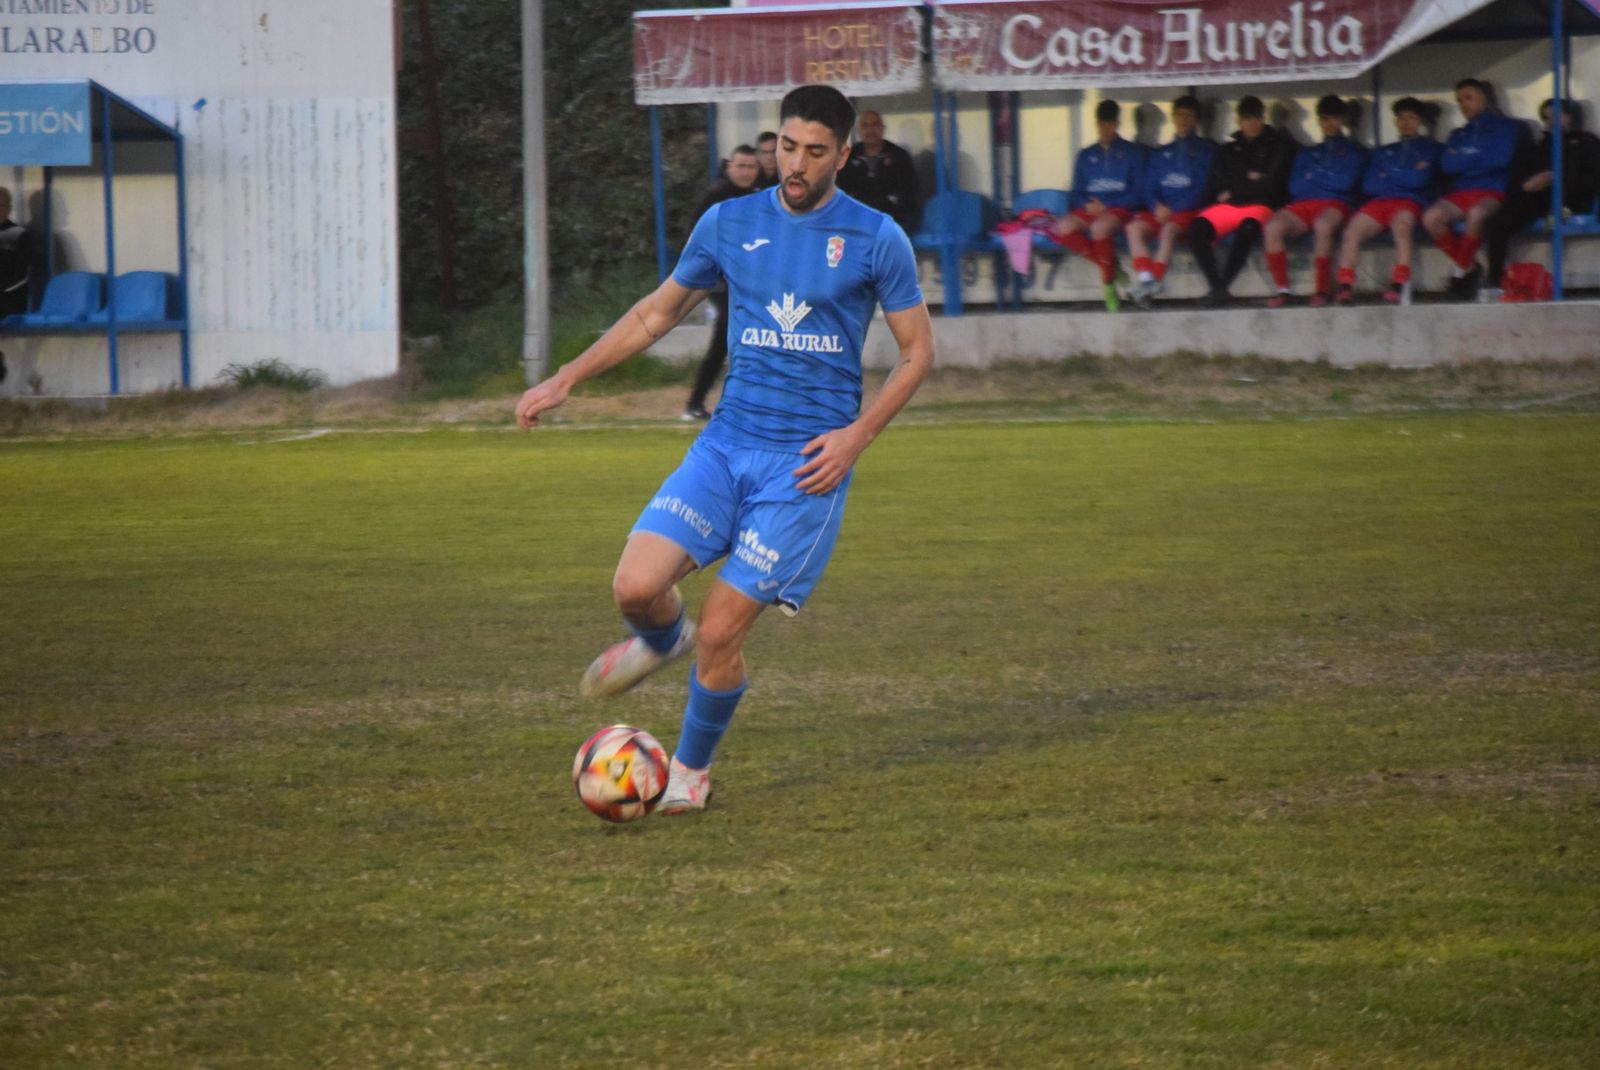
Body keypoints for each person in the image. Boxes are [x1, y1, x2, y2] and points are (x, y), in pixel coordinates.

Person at [514, 85, 934, 815]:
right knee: (635, 589)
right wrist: (567, 376)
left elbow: (917, 354)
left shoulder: (875, 237)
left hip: (803, 469)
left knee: (721, 630)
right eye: (786, 146)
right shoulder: (729, 222)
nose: (794, 165)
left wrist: (855, 438)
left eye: (812, 152)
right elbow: (656, 313)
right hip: (725, 447)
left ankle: (689, 776)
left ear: (840, 155)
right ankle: (660, 638)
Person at [1480, 98, 1600, 301]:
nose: (1551, 120)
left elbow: (1591, 177)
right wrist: (1527, 185)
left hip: (1572, 199)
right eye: (1547, 116)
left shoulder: (1585, 142)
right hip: (1537, 198)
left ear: (1571, 116)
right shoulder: (1537, 146)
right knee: (1496, 222)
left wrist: (1555, 177)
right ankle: (1494, 280)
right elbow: (1518, 178)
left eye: (1557, 114)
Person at [1422, 78, 1526, 299]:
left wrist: (1465, 158)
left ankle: (1460, 274)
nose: (1463, 104)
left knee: (1477, 214)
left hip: (1492, 190)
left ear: (1484, 98)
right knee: (1431, 218)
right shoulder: (1458, 134)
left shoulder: (1506, 127)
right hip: (1461, 192)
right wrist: (1478, 158)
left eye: (1469, 98)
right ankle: (1469, 267)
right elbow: (1447, 165)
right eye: (1459, 100)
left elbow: (1501, 159)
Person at [1334, 97, 1442, 304]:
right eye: (1401, 118)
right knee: (1351, 231)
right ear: (1396, 122)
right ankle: (1345, 286)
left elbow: (1420, 180)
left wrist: (1390, 174)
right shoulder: (1383, 151)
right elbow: (1369, 184)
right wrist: (1406, 174)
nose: (1406, 122)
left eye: (1411, 118)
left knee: (1402, 227)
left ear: (1419, 121)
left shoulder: (1430, 148)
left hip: (1410, 200)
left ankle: (1398, 283)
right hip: (1380, 201)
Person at [1188, 95, 1294, 307]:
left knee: (1248, 228)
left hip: (1261, 205)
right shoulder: (1228, 149)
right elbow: (1217, 183)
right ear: (1239, 121)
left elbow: (1271, 184)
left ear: (1263, 119)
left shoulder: (1276, 146)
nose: (1252, 123)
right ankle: (1217, 287)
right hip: (1230, 206)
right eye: (1246, 118)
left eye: (1256, 118)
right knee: (1196, 229)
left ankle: (1222, 286)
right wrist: (1248, 180)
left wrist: (1236, 187)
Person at [683, 144, 763, 421]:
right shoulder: (716, 198)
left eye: (751, 167)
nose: (746, 172)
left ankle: (749, 404)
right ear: (729, 167)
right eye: (741, 166)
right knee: (726, 337)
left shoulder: (762, 197)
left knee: (754, 341)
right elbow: (698, 237)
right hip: (720, 281)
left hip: (751, 281)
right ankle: (695, 402)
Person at [1263, 95, 1367, 307]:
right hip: (1304, 205)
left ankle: (1322, 289)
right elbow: (1295, 187)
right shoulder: (1308, 153)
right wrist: (1328, 176)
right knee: (1272, 226)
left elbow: (1345, 183)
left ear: (1342, 120)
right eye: (1325, 118)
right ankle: (1283, 290)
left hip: (1336, 204)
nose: (1330, 124)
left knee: (1323, 224)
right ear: (1320, 120)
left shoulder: (1353, 151)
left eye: (1335, 118)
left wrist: (1314, 176)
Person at [1052, 99, 1145, 311]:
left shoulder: (1132, 153)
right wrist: (1086, 204)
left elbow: (1138, 194)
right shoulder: (1085, 155)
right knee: (1062, 227)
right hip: (1090, 209)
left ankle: (1108, 286)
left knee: (1099, 228)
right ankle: (1111, 267)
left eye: (1110, 124)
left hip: (1117, 210)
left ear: (1117, 123)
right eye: (1102, 124)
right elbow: (1075, 193)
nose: (1106, 128)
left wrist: (1107, 206)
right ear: (1097, 124)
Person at [1125, 95, 1214, 308]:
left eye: (1189, 116)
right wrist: (1157, 205)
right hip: (1160, 211)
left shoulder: (1206, 151)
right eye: (1179, 115)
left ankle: (1154, 281)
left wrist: (1172, 209)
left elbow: (1202, 189)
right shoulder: (1162, 152)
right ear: (1173, 117)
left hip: (1186, 213)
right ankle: (1147, 281)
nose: (1183, 120)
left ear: (1197, 120)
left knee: (1168, 232)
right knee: (1133, 228)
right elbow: (1149, 187)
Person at [837, 108, 920, 234]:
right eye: (865, 125)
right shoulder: (847, 158)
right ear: (859, 130)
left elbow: (909, 196)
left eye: (875, 124)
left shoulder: (899, 157)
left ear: (882, 128)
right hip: (856, 225)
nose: (871, 130)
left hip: (891, 225)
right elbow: (840, 194)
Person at [0, 186, 36, 320]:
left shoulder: (19, 235)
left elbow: (24, 275)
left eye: (1, 206)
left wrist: (2, 290)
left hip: (9, 298)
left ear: (8, 209)